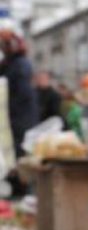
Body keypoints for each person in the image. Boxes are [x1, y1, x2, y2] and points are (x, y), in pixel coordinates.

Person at [0, 28, 38, 197]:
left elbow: (19, 98)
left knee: (18, 167)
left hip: (18, 126)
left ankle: (21, 198)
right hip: (14, 125)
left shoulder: (20, 65)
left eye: (5, 44)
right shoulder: (9, 65)